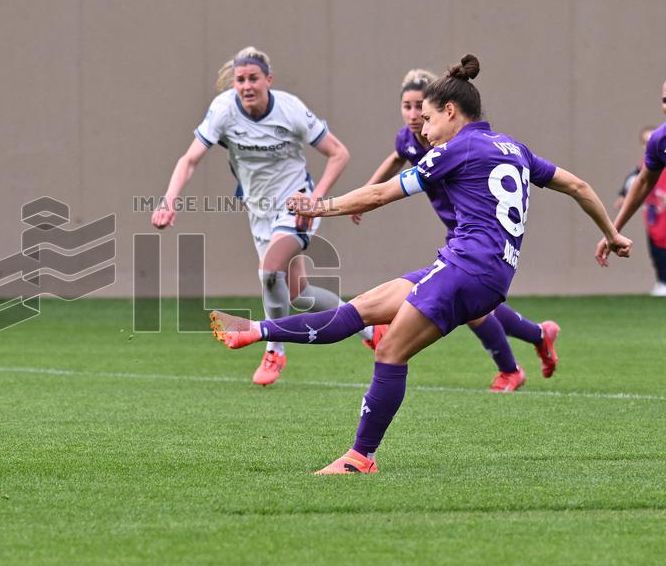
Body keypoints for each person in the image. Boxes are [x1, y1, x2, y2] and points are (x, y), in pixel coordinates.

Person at [212, 55, 631, 473]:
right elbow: (577, 184)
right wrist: (611, 234)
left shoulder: (455, 149)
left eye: (428, 119)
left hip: (466, 270)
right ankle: (256, 331)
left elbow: (379, 196)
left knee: (391, 350)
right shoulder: (513, 147)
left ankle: (360, 458)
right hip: (478, 270)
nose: (424, 130)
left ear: (451, 112)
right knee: (361, 310)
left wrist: (319, 205)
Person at [151, 46, 367, 386]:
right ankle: (369, 327)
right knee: (299, 294)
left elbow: (339, 154)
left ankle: (274, 349)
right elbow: (189, 159)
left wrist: (315, 201)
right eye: (240, 80)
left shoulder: (290, 109)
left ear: (268, 80)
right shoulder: (223, 111)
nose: (247, 85)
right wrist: (168, 200)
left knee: (269, 270)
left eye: (254, 78)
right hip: (259, 209)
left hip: (297, 203)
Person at [350, 69, 559, 391]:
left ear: (445, 109)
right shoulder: (408, 139)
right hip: (458, 230)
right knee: (475, 304)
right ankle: (538, 335)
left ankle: (511, 369)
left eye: (419, 106)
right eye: (406, 106)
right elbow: (396, 159)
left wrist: (348, 201)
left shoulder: (459, 143)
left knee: (473, 307)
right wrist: (367, 190)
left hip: (480, 232)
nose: (413, 115)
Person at [611, 124, 666, 295]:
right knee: (656, 250)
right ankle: (662, 281)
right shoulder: (646, 163)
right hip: (653, 215)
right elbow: (638, 180)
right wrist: (622, 195)